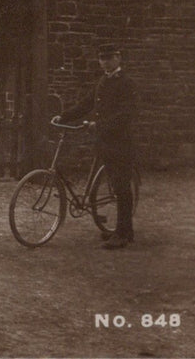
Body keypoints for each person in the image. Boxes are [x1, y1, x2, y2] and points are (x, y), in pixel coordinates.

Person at [53, 43, 137, 250]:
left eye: (109, 58)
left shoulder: (126, 83)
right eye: (102, 58)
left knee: (120, 186)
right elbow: (85, 104)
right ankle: (122, 230)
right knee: (115, 182)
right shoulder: (102, 82)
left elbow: (125, 115)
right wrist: (64, 116)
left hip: (120, 142)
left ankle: (123, 234)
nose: (105, 62)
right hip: (104, 141)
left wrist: (99, 125)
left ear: (118, 58)